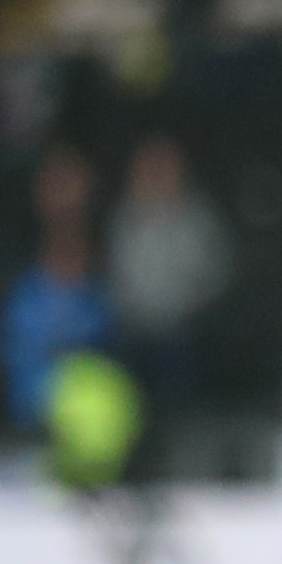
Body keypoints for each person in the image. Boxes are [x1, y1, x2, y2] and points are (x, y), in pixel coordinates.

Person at [106, 133, 230, 417]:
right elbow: (117, 276)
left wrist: (188, 306)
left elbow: (216, 276)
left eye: (163, 167)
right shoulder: (125, 218)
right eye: (148, 167)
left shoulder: (196, 219)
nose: (156, 175)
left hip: (181, 331)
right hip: (132, 331)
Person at [1, 150, 113, 431]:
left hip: (102, 407)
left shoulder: (111, 257)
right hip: (32, 414)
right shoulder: (11, 263)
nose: (65, 195)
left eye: (71, 180)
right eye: (55, 182)